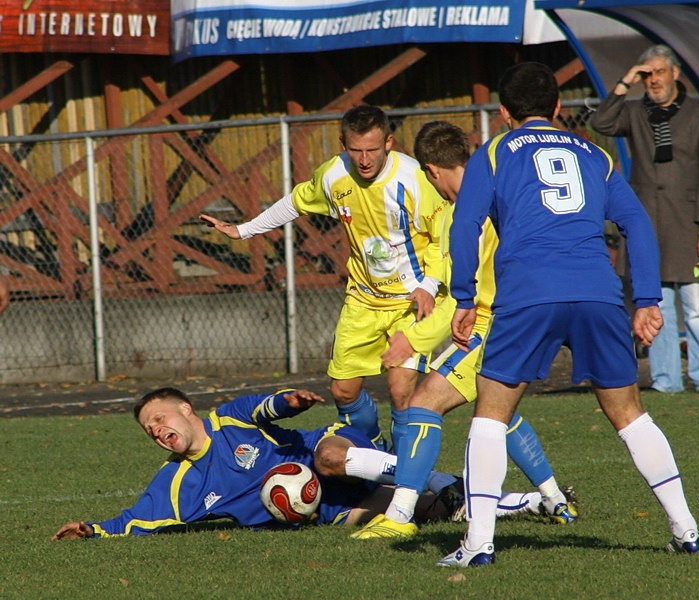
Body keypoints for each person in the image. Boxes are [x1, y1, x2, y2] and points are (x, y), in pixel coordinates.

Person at [439, 62, 699, 568]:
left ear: (502, 112)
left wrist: (465, 296)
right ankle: (686, 530)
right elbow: (637, 225)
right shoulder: (596, 156)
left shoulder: (493, 153)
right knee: (630, 414)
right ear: (558, 108)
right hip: (597, 292)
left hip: (528, 294)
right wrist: (647, 298)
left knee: (491, 415)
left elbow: (465, 224)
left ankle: (478, 545)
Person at [349, 121, 577, 540]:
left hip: (495, 323)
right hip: (525, 316)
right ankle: (555, 499)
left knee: (422, 405)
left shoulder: (467, 210)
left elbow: (462, 296)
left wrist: (412, 340)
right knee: (497, 411)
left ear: (432, 170)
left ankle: (399, 517)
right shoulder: (499, 191)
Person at [200, 105, 448, 453]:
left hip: (409, 302)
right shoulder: (333, 175)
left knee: (400, 389)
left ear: (389, 142)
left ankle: (406, 475)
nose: (364, 159)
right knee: (343, 391)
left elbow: (443, 238)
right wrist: (243, 231)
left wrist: (429, 286)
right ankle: (376, 447)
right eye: (355, 150)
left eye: (372, 150)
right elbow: (295, 202)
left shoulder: (414, 179)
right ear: (342, 144)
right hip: (362, 300)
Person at [52, 386, 544, 539]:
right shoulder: (177, 484)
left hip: (325, 450)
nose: (158, 430)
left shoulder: (229, 421)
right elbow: (137, 519)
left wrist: (290, 402)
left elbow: (267, 407)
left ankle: (380, 442)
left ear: (186, 410)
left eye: (160, 417)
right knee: (434, 510)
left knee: (329, 459)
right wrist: (93, 529)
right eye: (149, 429)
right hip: (327, 507)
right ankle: (531, 504)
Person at [590, 44, 699, 393]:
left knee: (695, 303)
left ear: (675, 73)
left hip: (690, 221)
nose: (653, 81)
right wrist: (626, 81)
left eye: (659, 72)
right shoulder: (635, 112)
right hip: (647, 222)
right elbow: (601, 121)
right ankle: (667, 381)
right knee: (656, 301)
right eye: (647, 75)